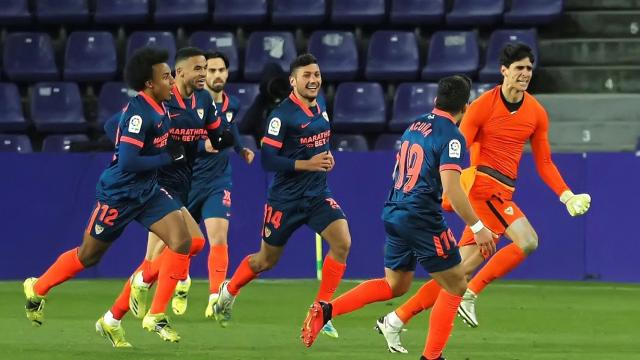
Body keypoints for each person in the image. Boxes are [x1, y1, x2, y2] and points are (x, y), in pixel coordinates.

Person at [375, 43, 592, 353]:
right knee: (527, 240)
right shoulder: (480, 106)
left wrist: (566, 195)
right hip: (483, 189)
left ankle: (396, 319)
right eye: (519, 68)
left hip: (502, 192)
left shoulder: (536, 112)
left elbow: (544, 162)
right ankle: (471, 295)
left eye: (529, 68)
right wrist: (446, 187)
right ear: (504, 71)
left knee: (457, 273)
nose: (525, 74)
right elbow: (455, 149)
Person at [300, 75, 497, 360]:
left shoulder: (415, 125)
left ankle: (327, 310)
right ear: (466, 107)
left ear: (435, 100)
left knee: (396, 285)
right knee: (456, 285)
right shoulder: (452, 136)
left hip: (395, 211)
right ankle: (432, 357)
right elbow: (452, 188)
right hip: (420, 216)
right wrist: (478, 227)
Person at [23, 47, 193, 346]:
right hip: (119, 193)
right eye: (166, 76)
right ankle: (37, 288)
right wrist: (165, 158)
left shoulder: (161, 106)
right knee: (88, 256)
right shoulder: (140, 114)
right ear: (149, 83)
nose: (172, 80)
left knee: (182, 241)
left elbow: (112, 125)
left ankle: (157, 313)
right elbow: (128, 161)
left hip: (148, 192)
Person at [96, 47, 233, 346]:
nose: (205, 75)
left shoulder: (203, 103)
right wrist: (137, 151)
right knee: (188, 243)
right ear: (180, 71)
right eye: (200, 69)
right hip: (155, 186)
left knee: (168, 255)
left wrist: (226, 138)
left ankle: (112, 317)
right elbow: (112, 127)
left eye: (207, 69)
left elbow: (214, 135)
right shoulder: (158, 102)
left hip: (182, 185)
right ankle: (153, 312)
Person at [211, 54, 350, 339]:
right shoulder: (281, 116)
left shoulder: (320, 106)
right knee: (265, 261)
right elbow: (269, 160)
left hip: (316, 195)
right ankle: (230, 289)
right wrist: (308, 164)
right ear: (293, 81)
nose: (313, 80)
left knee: (342, 242)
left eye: (316, 75)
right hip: (285, 201)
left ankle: (320, 309)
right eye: (306, 76)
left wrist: (326, 158)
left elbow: (318, 142)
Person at [186, 51, 255, 317]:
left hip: (218, 179)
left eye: (221, 70)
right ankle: (179, 281)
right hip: (188, 180)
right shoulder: (192, 104)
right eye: (211, 70)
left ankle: (215, 295)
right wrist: (202, 145)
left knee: (218, 237)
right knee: (181, 244)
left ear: (227, 73)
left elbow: (230, 127)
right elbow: (178, 139)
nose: (216, 75)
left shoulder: (232, 104)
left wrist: (240, 149)